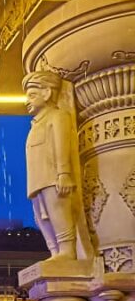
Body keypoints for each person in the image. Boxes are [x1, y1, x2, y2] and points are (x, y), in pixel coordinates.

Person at [23, 70, 94, 261]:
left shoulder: (57, 116)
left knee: (58, 212)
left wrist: (64, 172)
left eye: (32, 95)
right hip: (37, 181)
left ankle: (67, 251)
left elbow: (63, 146)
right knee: (41, 218)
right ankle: (54, 251)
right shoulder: (36, 124)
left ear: (46, 93)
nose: (26, 101)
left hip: (53, 179)